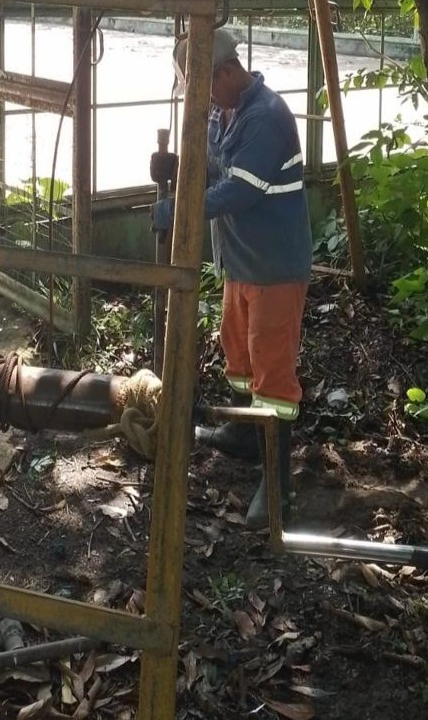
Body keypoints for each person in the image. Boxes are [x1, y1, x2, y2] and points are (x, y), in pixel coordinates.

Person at [151, 29, 312, 528]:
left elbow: (236, 192)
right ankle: (246, 434)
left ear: (222, 74)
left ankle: (277, 479)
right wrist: (176, 167)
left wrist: (177, 211)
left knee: (273, 374)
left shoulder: (266, 117)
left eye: (199, 87)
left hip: (273, 268)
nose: (197, 99)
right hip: (240, 262)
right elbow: (215, 168)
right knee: (239, 353)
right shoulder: (226, 112)